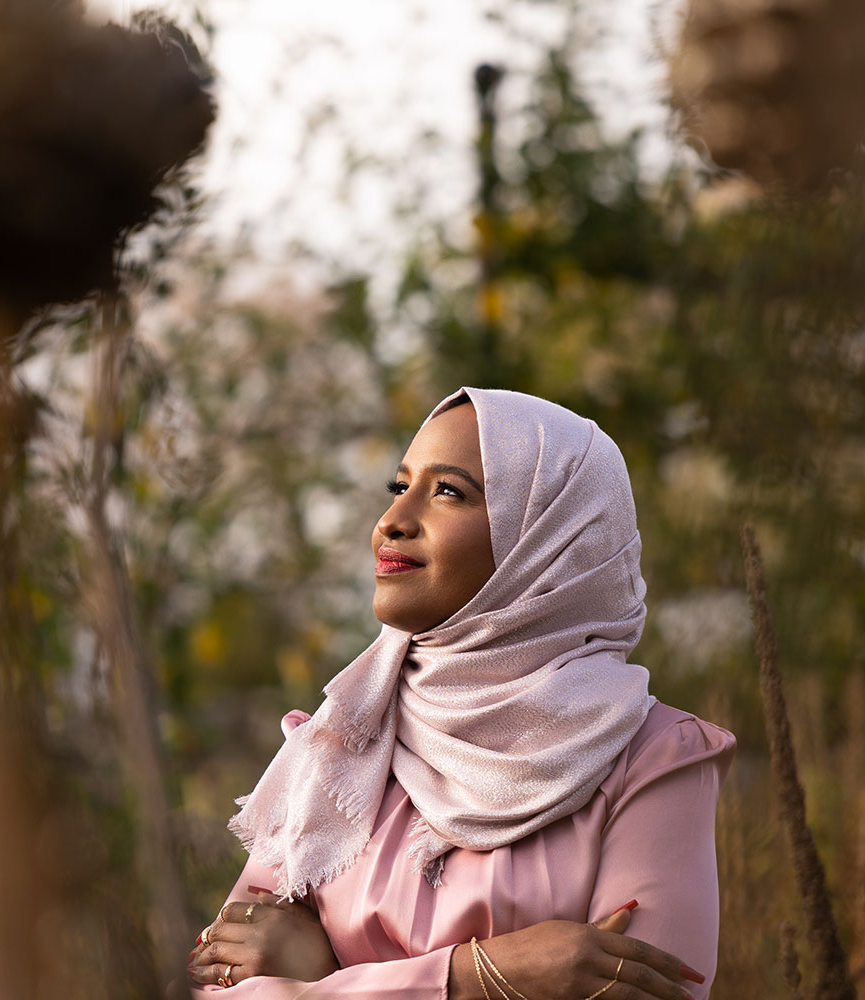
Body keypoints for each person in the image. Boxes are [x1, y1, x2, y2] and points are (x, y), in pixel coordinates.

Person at [185, 388, 735, 999]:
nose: (392, 522)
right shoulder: (340, 744)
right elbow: (220, 988)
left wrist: (323, 981)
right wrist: (478, 976)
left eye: (449, 491)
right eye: (400, 488)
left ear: (550, 540)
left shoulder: (653, 757)